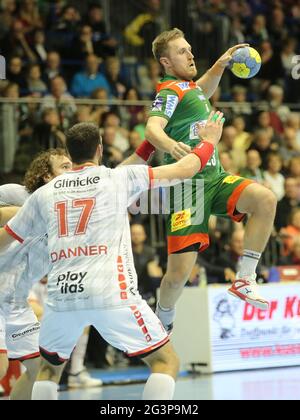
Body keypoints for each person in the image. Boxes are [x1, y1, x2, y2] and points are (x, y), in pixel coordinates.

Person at [0, 115, 224, 400]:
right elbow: (185, 169)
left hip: (62, 294)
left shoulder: (44, 194)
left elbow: (5, 237)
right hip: (111, 291)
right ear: (100, 149)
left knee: (47, 370)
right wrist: (207, 143)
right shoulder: (117, 178)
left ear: (70, 153)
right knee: (165, 362)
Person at [145, 28, 277, 332]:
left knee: (265, 199)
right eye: (182, 52)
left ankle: (244, 278)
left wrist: (219, 65)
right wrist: (170, 146)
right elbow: (153, 128)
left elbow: (202, 90)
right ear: (165, 61)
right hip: (187, 188)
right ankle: (162, 315)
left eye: (190, 49)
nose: (190, 54)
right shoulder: (168, 91)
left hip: (215, 178)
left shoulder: (189, 88)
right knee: (178, 275)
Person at [0, 149, 72, 400]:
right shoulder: (16, 193)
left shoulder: (68, 218)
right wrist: (26, 214)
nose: (71, 172)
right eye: (64, 166)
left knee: (38, 370)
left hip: (17, 302)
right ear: (45, 175)